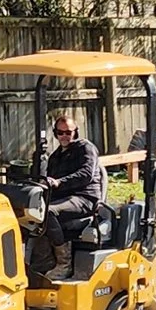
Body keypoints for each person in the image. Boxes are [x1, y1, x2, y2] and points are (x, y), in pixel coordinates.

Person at [39, 106, 106, 278]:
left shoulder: (86, 149)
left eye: (68, 132)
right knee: (33, 214)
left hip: (84, 198)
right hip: (65, 198)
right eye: (61, 133)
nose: (64, 136)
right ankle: (43, 262)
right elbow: (49, 180)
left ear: (75, 132)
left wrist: (59, 182)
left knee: (49, 212)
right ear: (55, 134)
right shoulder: (55, 157)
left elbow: (85, 175)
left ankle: (64, 262)